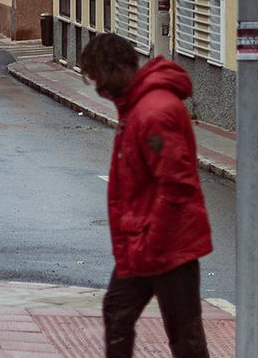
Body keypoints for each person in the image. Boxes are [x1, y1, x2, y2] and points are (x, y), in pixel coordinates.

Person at [78, 32, 212, 358]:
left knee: (185, 336)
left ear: (114, 69)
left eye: (98, 77)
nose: (98, 88)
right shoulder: (137, 106)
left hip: (167, 246)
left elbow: (176, 185)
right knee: (118, 312)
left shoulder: (154, 112)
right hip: (143, 243)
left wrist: (152, 240)